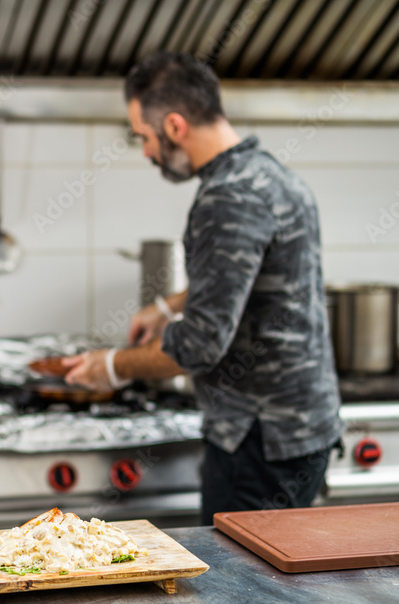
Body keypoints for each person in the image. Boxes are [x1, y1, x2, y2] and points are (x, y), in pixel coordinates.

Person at [62, 53, 344, 525]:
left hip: (258, 439)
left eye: (143, 138)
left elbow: (199, 344)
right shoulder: (270, 174)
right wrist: (164, 305)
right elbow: (248, 277)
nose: (146, 153)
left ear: (174, 126)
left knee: (245, 595)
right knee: (274, 589)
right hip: (300, 428)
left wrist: (110, 367)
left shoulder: (227, 197)